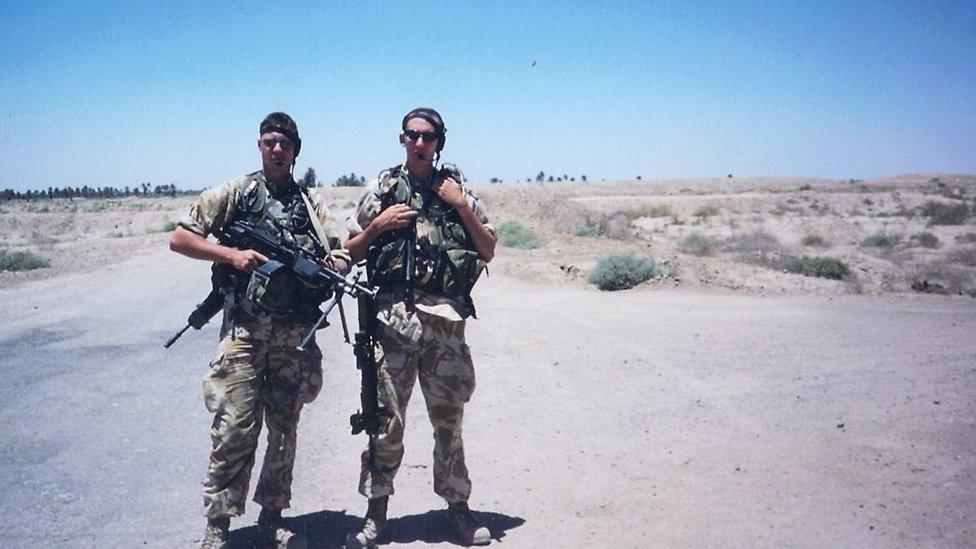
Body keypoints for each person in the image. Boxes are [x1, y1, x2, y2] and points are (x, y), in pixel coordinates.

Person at [169, 112, 349, 549]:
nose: (277, 150)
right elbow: (180, 238)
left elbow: (341, 255)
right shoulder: (236, 193)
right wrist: (231, 256)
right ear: (259, 145)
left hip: (294, 338)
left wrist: (326, 270)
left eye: (284, 144)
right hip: (245, 334)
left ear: (295, 149)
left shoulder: (311, 203)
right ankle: (219, 524)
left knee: (284, 430)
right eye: (269, 142)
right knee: (234, 428)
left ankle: (272, 516)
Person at [343, 107, 497, 547]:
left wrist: (461, 206)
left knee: (449, 421)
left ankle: (458, 510)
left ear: (438, 142)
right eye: (412, 135)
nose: (419, 143)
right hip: (394, 323)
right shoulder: (382, 188)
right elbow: (350, 251)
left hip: (446, 326)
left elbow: (487, 249)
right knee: (385, 421)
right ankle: (376, 513)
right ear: (401, 139)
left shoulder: (459, 188)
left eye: (428, 136)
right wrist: (378, 225)